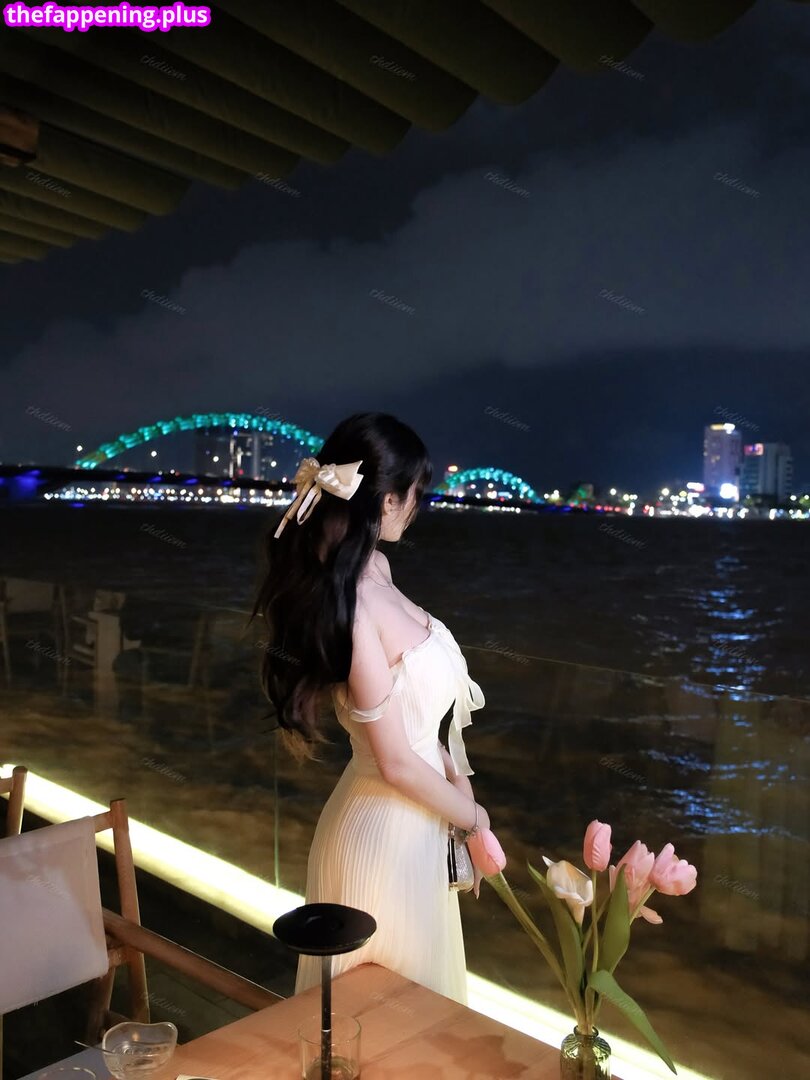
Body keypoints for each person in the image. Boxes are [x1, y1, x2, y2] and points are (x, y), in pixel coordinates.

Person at [249, 412, 490, 1005]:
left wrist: (459, 788)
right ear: (386, 500)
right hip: (379, 838)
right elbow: (395, 762)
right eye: (416, 494)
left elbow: (420, 731)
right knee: (377, 1019)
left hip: (421, 825)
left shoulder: (377, 568)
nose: (417, 508)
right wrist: (474, 819)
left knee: (414, 1011)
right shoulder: (353, 604)